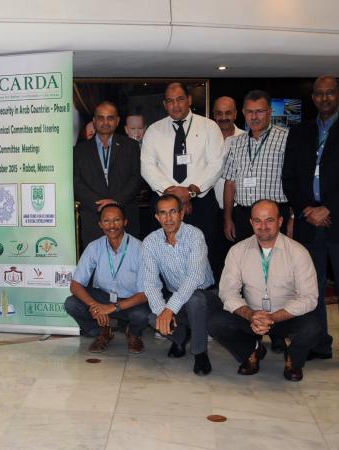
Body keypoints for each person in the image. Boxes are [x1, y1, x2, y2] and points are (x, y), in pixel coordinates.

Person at [282, 75, 339, 375]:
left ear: (338, 96)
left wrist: (328, 209)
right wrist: (306, 209)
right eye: (319, 94)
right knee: (313, 290)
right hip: (310, 223)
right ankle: (319, 343)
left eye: (330, 93)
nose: (324, 98)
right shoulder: (299, 133)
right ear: (313, 98)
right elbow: (290, 179)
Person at [209, 199, 321, 381]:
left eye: (269, 220)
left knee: (313, 328)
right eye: (258, 221)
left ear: (280, 222)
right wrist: (250, 314)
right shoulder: (237, 251)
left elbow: (309, 297)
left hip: (285, 316)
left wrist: (273, 317)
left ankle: (293, 358)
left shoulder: (298, 252)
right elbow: (228, 292)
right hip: (252, 316)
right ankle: (252, 350)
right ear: (251, 222)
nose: (263, 226)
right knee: (216, 322)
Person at [141, 83, 225, 281]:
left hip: (200, 203)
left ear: (189, 100)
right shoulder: (154, 131)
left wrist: (191, 192)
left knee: (206, 254)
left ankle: (205, 300)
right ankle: (167, 301)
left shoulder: (209, 127)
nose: (175, 105)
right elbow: (147, 166)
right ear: (164, 104)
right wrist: (173, 194)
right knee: (163, 254)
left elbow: (216, 164)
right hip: (164, 205)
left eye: (180, 99)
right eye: (170, 101)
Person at [141, 194, 214, 375]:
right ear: (157, 217)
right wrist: (162, 312)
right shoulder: (150, 242)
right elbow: (150, 283)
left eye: (173, 212)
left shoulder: (195, 235)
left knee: (194, 300)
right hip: (177, 297)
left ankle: (200, 353)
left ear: (182, 213)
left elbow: (195, 277)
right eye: (163, 213)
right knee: (153, 318)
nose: (168, 218)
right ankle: (180, 338)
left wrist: (170, 309)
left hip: (205, 295)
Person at [64, 204, 150, 353]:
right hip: (103, 297)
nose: (111, 225)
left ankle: (134, 334)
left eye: (117, 220)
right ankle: (103, 332)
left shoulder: (141, 249)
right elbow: (75, 285)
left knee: (143, 315)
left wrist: (112, 308)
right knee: (71, 303)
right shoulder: (94, 247)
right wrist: (95, 306)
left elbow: (145, 294)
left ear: (125, 222)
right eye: (106, 221)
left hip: (131, 300)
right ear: (100, 224)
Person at [222, 90, 290, 243]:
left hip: (274, 216)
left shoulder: (287, 138)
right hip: (244, 216)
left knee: (277, 262)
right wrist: (228, 218)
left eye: (259, 111)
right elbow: (230, 183)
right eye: (250, 112)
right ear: (244, 113)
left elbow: (295, 181)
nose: (254, 117)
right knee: (246, 262)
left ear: (270, 111)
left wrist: (292, 218)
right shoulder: (236, 142)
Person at [74, 101, 142, 243]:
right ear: (94, 121)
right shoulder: (79, 150)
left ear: (117, 121)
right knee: (96, 262)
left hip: (125, 216)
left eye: (110, 118)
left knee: (128, 262)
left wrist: (115, 201)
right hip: (93, 218)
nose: (105, 122)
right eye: (101, 118)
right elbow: (76, 182)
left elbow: (136, 178)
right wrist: (99, 204)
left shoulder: (131, 146)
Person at [212, 96, 245, 210]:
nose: (223, 117)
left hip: (238, 206)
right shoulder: (205, 139)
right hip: (210, 207)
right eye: (219, 113)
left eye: (228, 113)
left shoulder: (246, 139)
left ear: (235, 114)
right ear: (214, 115)